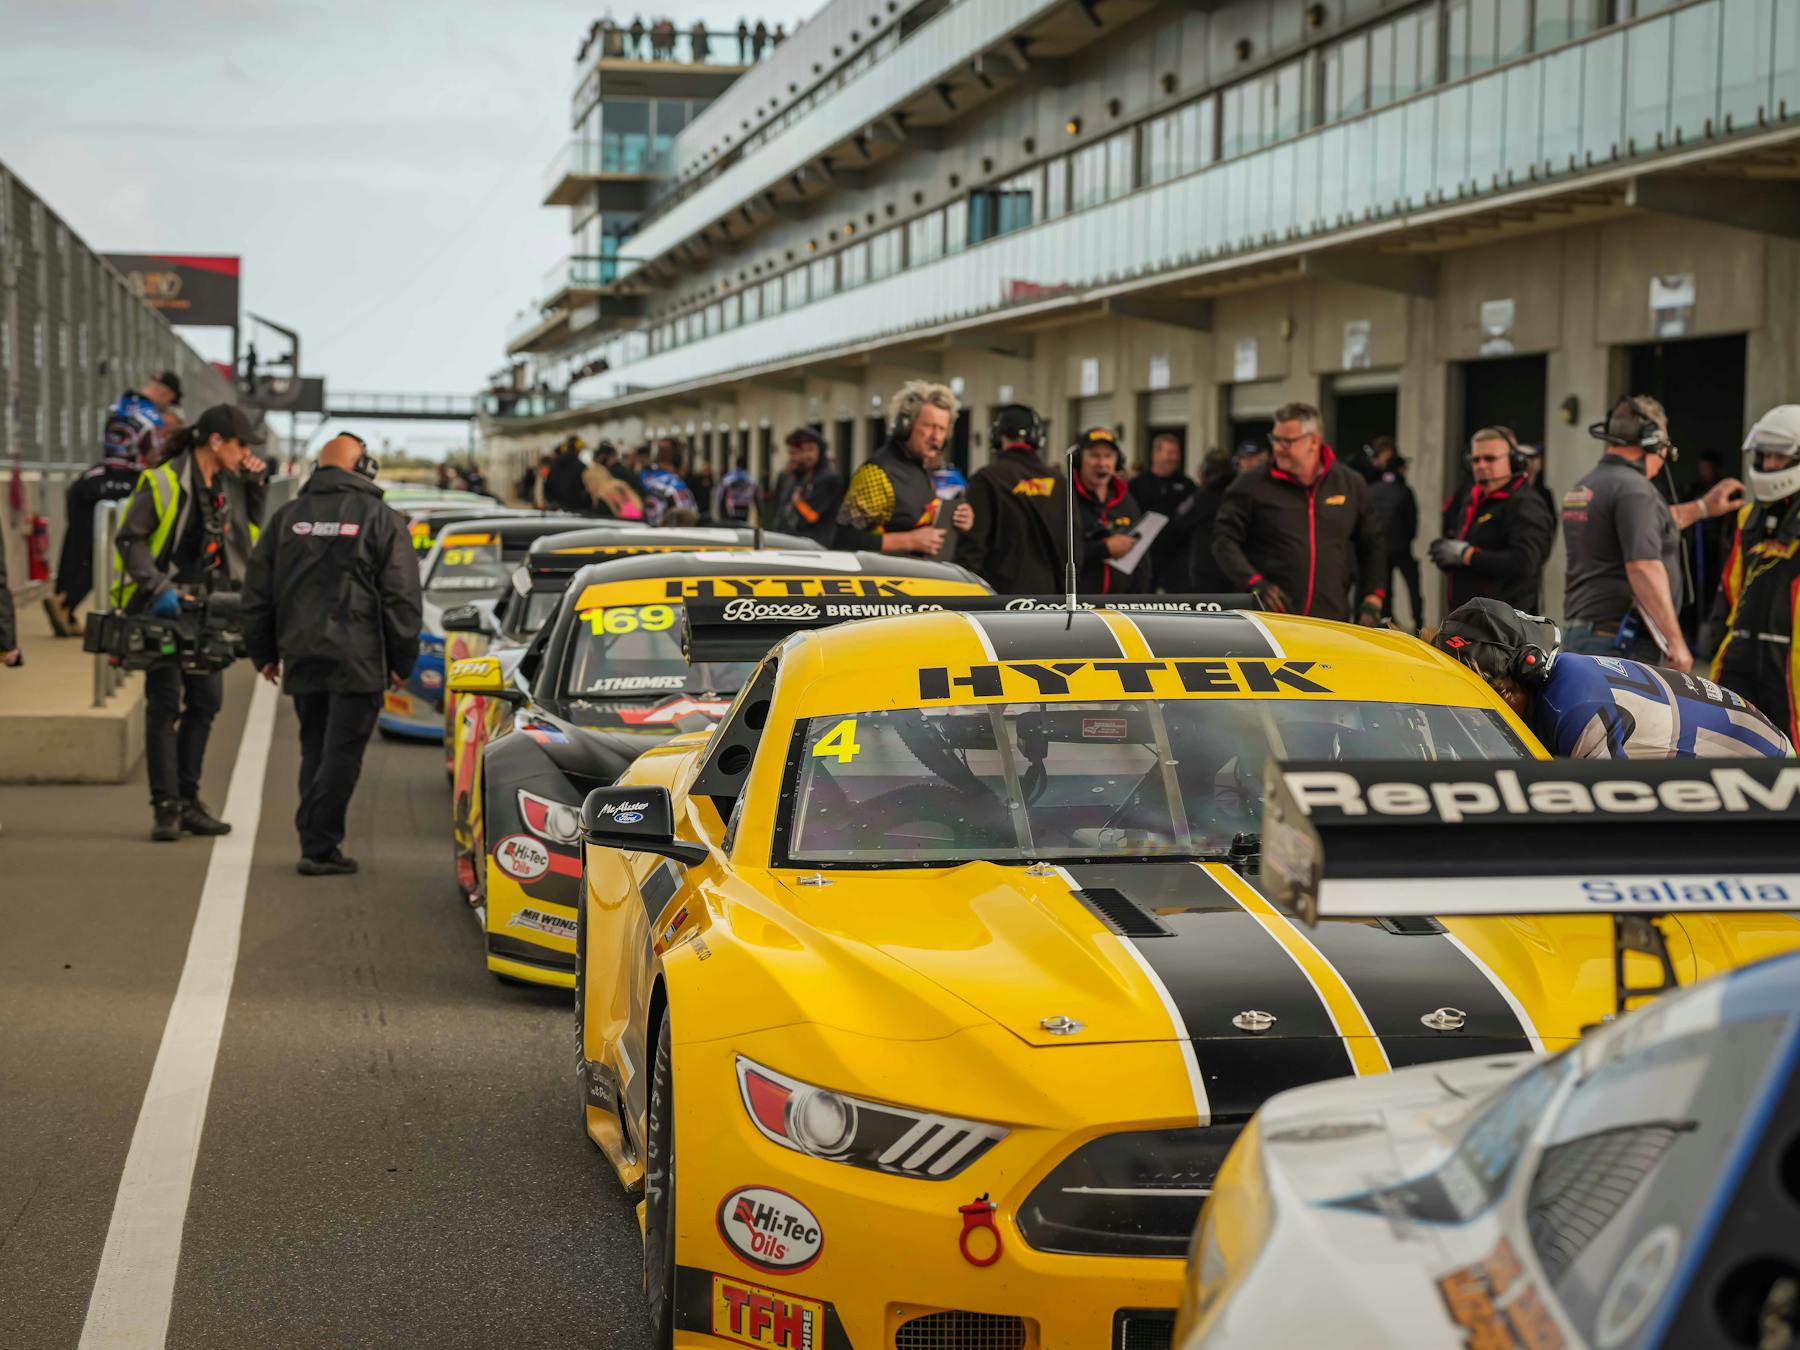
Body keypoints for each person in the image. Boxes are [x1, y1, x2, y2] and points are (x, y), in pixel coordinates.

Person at [243, 437, 423, 875]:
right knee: (342, 752)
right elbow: (401, 596)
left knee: (315, 747)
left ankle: (315, 840)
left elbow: (257, 591)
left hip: (302, 653)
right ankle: (319, 847)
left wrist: (262, 651)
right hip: (359, 657)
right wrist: (402, 661)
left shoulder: (287, 518)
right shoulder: (380, 519)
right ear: (363, 466)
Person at [113, 404, 267, 841]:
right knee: (164, 704)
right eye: (241, 445)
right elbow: (129, 539)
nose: (246, 454)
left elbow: (250, 533)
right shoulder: (164, 480)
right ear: (215, 442)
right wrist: (158, 585)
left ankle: (188, 800)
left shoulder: (230, 483)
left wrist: (256, 485)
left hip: (210, 608)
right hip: (165, 607)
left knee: (205, 702)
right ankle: (165, 808)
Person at [1432, 598, 1791, 758]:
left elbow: (1605, 826)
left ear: (1524, 674)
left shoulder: (1574, 705)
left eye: (1492, 695)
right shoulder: (1558, 688)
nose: (1476, 717)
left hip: (1761, 765)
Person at [1561, 395, 1744, 672]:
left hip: (1587, 635)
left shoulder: (1587, 485)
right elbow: (1643, 567)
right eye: (1665, 445)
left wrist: (1704, 507)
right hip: (1620, 643)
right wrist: (1676, 642)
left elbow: (1650, 524)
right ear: (1652, 440)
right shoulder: (1635, 490)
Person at [1211, 401, 1385, 623]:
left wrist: (1373, 596)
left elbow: (1373, 544)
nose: (1277, 448)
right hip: (1270, 619)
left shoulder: (1349, 484)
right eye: (1275, 439)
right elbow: (1223, 540)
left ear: (1313, 441)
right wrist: (1254, 582)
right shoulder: (1250, 485)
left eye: (1287, 441)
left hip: (1331, 618)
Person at [1711, 405, 1800, 744]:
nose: (1770, 465)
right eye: (1765, 456)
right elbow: (1731, 585)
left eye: (1779, 456)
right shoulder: (1747, 517)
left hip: (1792, 663)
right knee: (1724, 742)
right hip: (1741, 654)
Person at [44, 398, 160, 634]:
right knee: (101, 554)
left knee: (74, 547)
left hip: (88, 487)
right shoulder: (139, 468)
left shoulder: (91, 473)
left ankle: (63, 601)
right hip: (114, 489)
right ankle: (65, 602)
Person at [836, 381, 973, 556]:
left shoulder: (921, 468)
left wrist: (960, 520)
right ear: (906, 425)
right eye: (929, 426)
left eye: (942, 429)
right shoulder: (879, 473)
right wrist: (910, 541)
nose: (936, 436)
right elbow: (844, 539)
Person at [1430, 426, 1556, 614]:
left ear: (1513, 461)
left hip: (1504, 625)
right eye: (1476, 460)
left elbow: (1523, 562)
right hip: (1468, 618)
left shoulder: (1526, 503)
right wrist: (1447, 555)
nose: (1481, 465)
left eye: (1489, 459)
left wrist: (1467, 555)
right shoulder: (1472, 498)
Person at [957, 404, 1063, 593]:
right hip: (1051, 599)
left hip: (1000, 600)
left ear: (997, 437)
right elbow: (1074, 549)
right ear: (1038, 438)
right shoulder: (1059, 481)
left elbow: (972, 547)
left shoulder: (986, 479)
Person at [1070, 427, 1150, 594]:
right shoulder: (1065, 499)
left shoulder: (1126, 500)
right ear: (1078, 460)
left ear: (1117, 462)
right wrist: (1103, 549)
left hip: (1120, 604)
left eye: (1108, 456)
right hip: (1077, 604)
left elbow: (1141, 560)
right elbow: (1057, 553)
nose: (1102, 463)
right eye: (1094, 455)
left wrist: (1140, 599)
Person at [1129, 433, 1197, 593]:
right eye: (1169, 453)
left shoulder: (1187, 485)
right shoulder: (1137, 485)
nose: (1174, 458)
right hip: (1145, 558)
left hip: (1178, 560)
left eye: (1177, 453)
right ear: (1156, 454)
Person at [1366, 437, 1421, 626]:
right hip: (1401, 547)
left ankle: (1386, 624)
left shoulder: (1372, 489)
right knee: (1413, 585)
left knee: (1386, 588)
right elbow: (1412, 526)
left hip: (1381, 548)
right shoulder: (1404, 491)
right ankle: (1419, 624)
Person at [770, 428, 843, 545]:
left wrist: (798, 501)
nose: (806, 455)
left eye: (810, 449)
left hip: (816, 543)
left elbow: (811, 516)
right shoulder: (802, 475)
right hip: (798, 539)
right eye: (803, 450)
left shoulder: (828, 477)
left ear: (820, 450)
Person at [1187, 448, 1237, 592]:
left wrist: (1201, 487)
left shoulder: (1203, 496)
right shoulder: (1238, 492)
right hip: (1233, 565)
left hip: (1205, 567)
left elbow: (1180, 519)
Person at [640, 441, 697, 525]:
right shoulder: (650, 470)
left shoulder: (679, 470)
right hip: (658, 514)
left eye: (667, 449)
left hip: (681, 513)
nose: (664, 452)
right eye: (661, 449)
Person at [543, 435, 593, 513]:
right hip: (577, 510)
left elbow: (547, 487)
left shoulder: (554, 465)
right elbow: (587, 489)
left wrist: (553, 503)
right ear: (578, 449)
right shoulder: (581, 467)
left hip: (556, 510)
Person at [716, 454, 759, 524]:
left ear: (736, 464)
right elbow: (757, 497)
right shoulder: (751, 479)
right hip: (745, 506)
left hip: (731, 506)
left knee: (732, 525)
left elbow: (719, 494)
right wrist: (759, 512)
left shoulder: (728, 478)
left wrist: (719, 508)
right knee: (743, 525)